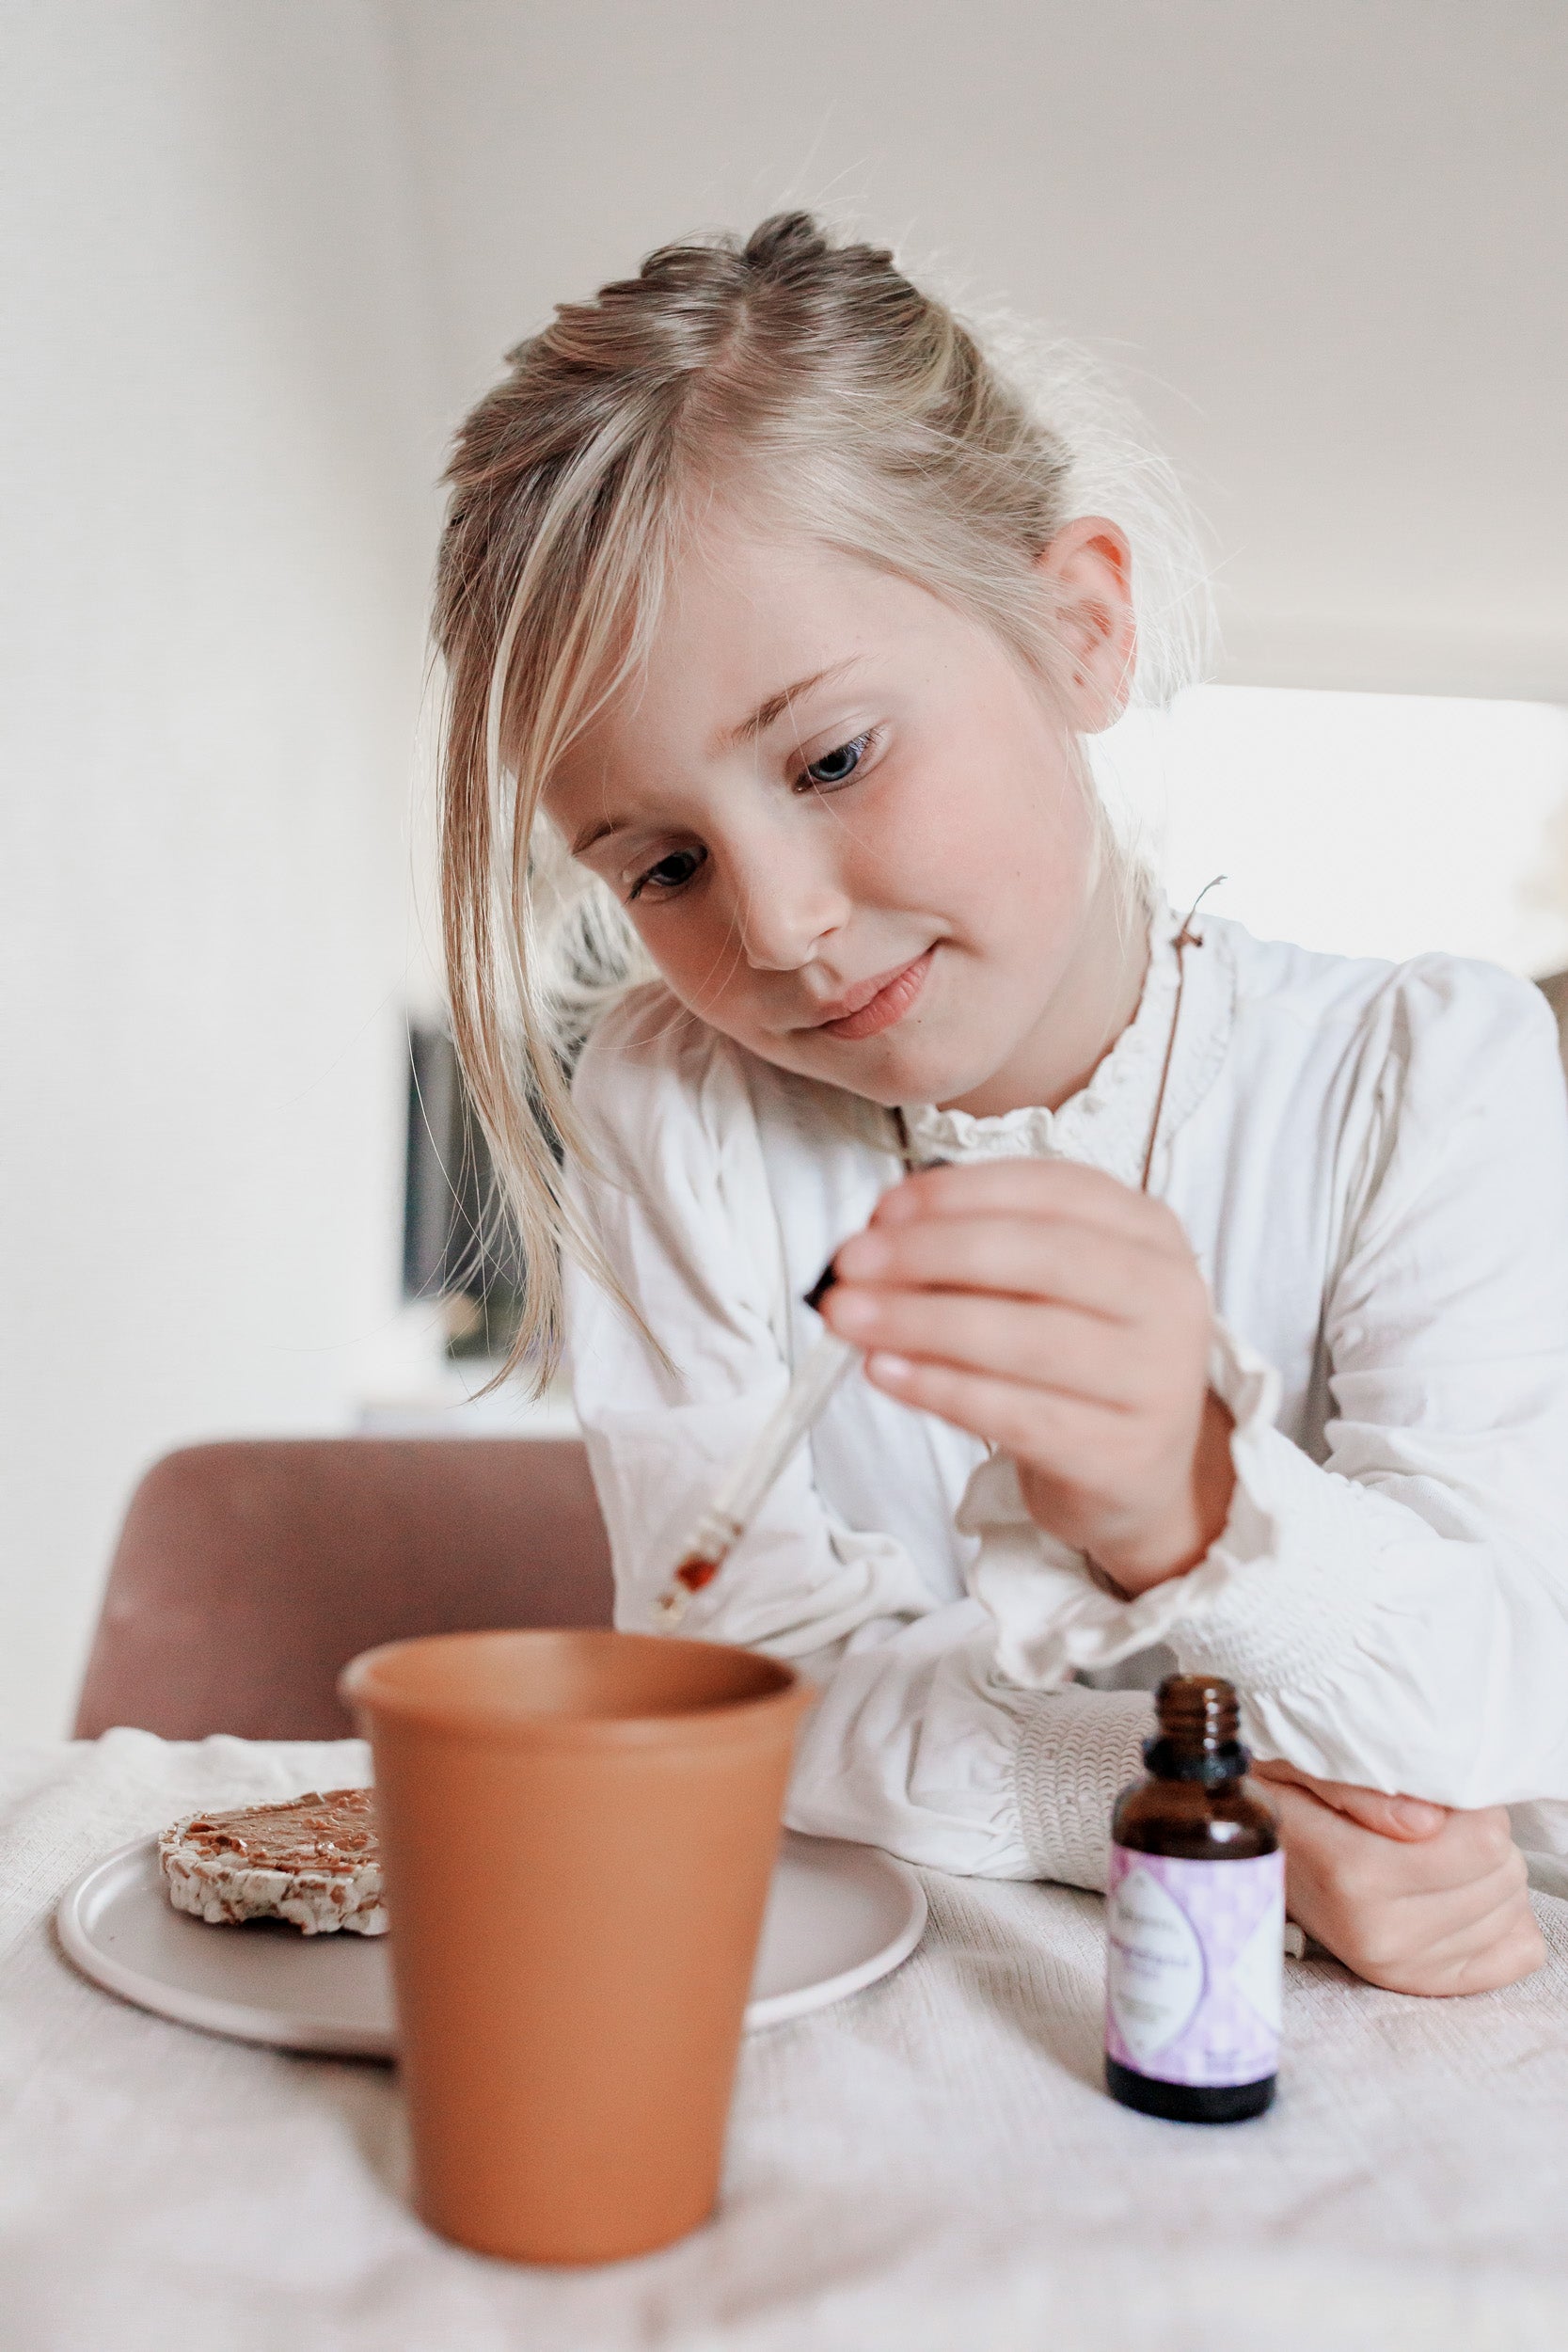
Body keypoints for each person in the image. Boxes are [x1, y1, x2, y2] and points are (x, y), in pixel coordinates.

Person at [430, 214, 1568, 1996]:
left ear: (1080, 628)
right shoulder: (681, 1105)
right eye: (659, 865)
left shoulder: (1431, 1078)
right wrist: (1196, 1810)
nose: (784, 926)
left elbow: (1511, 1694)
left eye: (833, 758)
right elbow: (742, 1687)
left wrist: (1193, 1505)